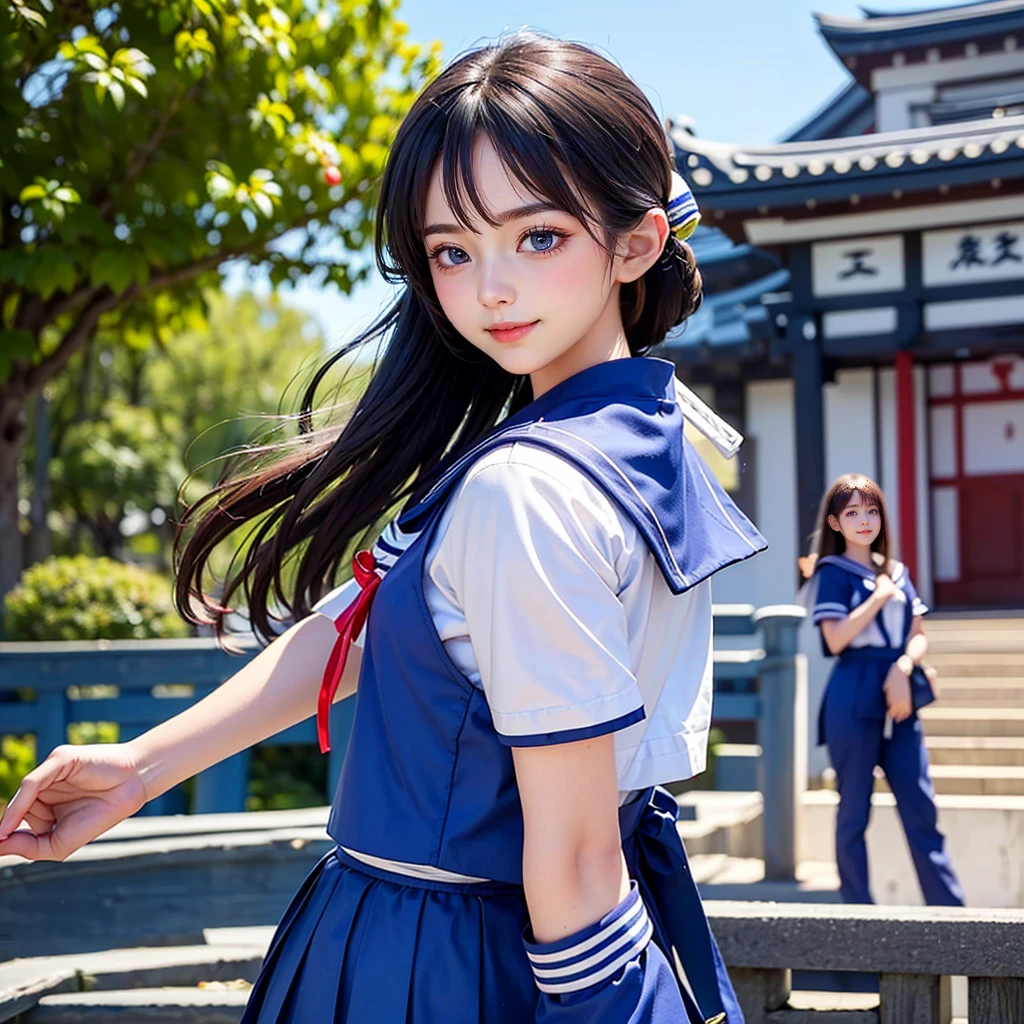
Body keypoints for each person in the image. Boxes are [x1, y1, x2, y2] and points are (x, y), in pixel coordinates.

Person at [0, 33, 768, 1023]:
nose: (491, 287)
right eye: (453, 250)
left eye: (537, 236)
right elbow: (364, 618)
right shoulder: (636, 436)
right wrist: (139, 771)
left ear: (637, 240)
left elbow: (576, 858)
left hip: (439, 959)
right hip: (495, 939)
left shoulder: (525, 486)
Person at [804, 473, 964, 908]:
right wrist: (877, 598)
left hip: (899, 689)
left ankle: (954, 921)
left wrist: (904, 666)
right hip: (852, 691)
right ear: (835, 523)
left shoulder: (897, 570)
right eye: (852, 512)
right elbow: (835, 640)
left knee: (921, 808)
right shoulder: (832, 572)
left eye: (871, 510)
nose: (864, 520)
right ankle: (861, 923)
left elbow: (918, 632)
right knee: (854, 813)